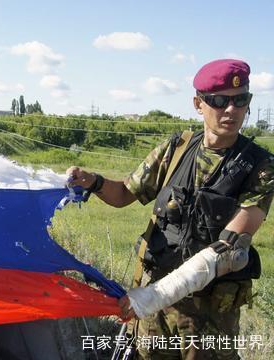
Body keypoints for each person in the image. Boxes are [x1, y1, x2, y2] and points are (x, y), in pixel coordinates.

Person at [67, 59, 274, 359]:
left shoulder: (260, 166)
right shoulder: (175, 150)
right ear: (198, 104)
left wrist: (150, 297)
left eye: (241, 100)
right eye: (219, 101)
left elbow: (228, 248)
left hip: (209, 318)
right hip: (157, 315)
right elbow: (124, 193)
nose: (231, 109)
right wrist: (92, 181)